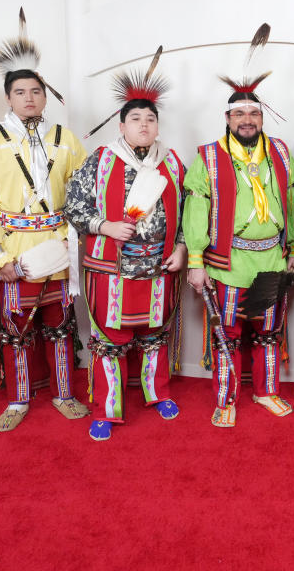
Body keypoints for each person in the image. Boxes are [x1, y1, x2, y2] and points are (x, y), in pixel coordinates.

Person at [0, 11, 89, 433]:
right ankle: (18, 399)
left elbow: (81, 195)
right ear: (8, 98)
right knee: (17, 331)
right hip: (14, 247)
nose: (29, 98)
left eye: (36, 91)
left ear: (44, 95)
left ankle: (63, 393)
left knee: (59, 327)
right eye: (20, 92)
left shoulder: (66, 139)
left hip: (58, 244)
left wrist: (74, 246)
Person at [66, 57, 187, 440]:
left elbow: (188, 213)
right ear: (122, 126)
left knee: (154, 332)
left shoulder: (172, 164)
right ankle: (107, 409)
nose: (144, 125)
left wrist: (182, 247)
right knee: (111, 336)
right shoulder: (100, 161)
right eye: (136, 119)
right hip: (111, 268)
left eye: (150, 120)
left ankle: (157, 393)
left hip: (158, 266)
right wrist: (105, 225)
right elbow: (73, 206)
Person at [183, 73, 294, 427]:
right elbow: (196, 212)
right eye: (239, 114)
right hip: (227, 262)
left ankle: (266, 392)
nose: (247, 120)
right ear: (227, 118)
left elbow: (292, 204)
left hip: (271, 261)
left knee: (267, 332)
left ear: (262, 117)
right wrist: (195, 260)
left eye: (254, 113)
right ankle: (226, 398)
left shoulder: (280, 152)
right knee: (227, 335)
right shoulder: (209, 157)